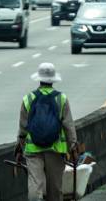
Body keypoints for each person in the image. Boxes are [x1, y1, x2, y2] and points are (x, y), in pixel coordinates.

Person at [17, 63, 78, 201]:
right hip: (55, 149)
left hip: (33, 149)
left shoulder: (28, 98)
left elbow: (23, 127)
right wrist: (73, 145)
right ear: (53, 80)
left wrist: (19, 147)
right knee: (55, 188)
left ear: (39, 79)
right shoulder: (61, 98)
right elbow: (68, 125)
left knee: (35, 184)